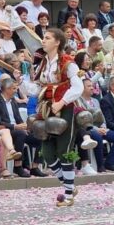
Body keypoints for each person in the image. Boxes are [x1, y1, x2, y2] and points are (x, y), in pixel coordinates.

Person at [20, 29, 84, 206]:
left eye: (47, 38)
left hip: (65, 109)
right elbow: (37, 89)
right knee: (47, 153)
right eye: (44, 38)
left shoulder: (68, 63)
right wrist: (21, 83)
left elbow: (77, 87)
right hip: (46, 108)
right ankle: (69, 185)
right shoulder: (42, 63)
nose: (43, 41)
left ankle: (69, 196)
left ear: (57, 42)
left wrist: (62, 102)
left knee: (64, 151)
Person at [0, 78, 44, 177]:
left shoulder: (13, 101)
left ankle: (35, 166)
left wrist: (24, 126)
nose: (16, 91)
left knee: (41, 136)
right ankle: (18, 166)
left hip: (17, 129)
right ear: (7, 89)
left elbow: (18, 118)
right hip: (5, 131)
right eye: (14, 88)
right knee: (20, 134)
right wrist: (15, 127)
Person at [77, 78, 114, 173]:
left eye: (92, 86)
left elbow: (101, 116)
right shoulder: (78, 101)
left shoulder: (95, 101)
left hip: (100, 128)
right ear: (81, 88)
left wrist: (103, 126)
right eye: (89, 86)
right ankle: (100, 166)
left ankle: (109, 163)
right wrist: (96, 129)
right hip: (87, 129)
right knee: (97, 137)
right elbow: (82, 120)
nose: (92, 88)